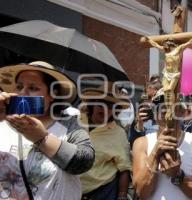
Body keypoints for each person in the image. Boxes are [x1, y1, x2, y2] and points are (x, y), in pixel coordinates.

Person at [0, 61, 95, 200]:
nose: (23, 93)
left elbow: (84, 161)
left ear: (52, 94)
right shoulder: (3, 121)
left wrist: (41, 137)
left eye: (33, 88)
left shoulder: (68, 125)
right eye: (19, 86)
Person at [132, 94, 192, 200]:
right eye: (161, 107)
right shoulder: (142, 143)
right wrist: (155, 153)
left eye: (173, 107)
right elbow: (141, 192)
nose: (167, 112)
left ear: (182, 113)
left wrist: (178, 176)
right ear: (155, 114)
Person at [79, 82, 131, 200]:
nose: (105, 109)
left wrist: (122, 196)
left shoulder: (119, 134)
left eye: (111, 106)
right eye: (101, 103)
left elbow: (124, 169)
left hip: (100, 194)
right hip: (66, 191)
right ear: (92, 103)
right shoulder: (76, 120)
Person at [145, 33, 192, 121]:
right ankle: (168, 109)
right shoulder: (166, 50)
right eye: (164, 46)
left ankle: (170, 110)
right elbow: (156, 45)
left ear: (170, 44)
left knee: (169, 90)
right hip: (166, 74)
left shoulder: (178, 49)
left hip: (174, 74)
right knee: (165, 91)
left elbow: (190, 42)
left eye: (166, 45)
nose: (165, 47)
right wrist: (149, 40)